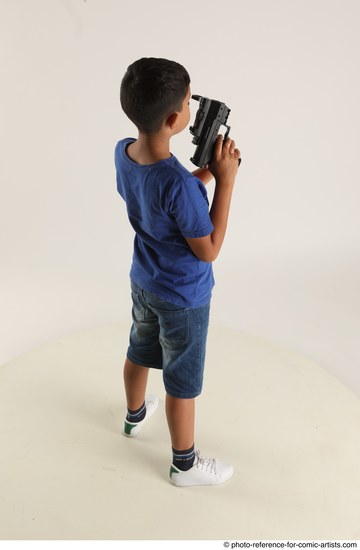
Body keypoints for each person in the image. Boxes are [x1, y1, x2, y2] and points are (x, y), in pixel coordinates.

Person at [114, 57, 241, 487]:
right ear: (174, 118)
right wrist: (225, 182)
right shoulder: (180, 186)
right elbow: (208, 250)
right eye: (189, 101)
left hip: (144, 281)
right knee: (181, 381)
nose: (191, 107)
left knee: (139, 349)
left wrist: (205, 172)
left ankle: (133, 416)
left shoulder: (124, 153)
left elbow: (165, 198)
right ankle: (184, 464)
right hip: (183, 297)